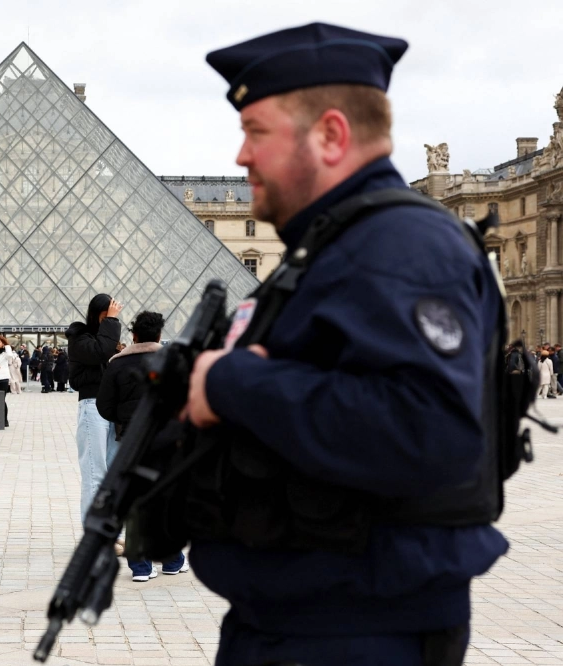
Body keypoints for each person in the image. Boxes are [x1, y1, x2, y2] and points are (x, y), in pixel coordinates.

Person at [176, 23, 508, 666]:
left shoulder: (399, 248)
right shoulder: (340, 246)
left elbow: (426, 430)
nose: (241, 157)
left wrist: (230, 383)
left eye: (256, 131)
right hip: (312, 618)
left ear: (330, 134)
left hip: (357, 629)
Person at [96, 311, 189, 580]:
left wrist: (123, 420)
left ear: (133, 336)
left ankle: (140, 567)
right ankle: (171, 560)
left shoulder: (116, 364)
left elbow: (104, 406)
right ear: (160, 335)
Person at [65, 294, 122, 518]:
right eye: (108, 314)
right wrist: (113, 321)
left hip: (112, 409)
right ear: (100, 314)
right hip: (92, 406)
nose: (114, 316)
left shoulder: (106, 338)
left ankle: (112, 536)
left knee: (112, 474)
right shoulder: (79, 338)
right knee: (94, 473)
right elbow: (101, 351)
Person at [0, 335, 14, 427]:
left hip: (2, 378)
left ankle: (4, 420)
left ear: (3, 344)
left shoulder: (6, 353)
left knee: (1, 399)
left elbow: (10, 356)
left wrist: (7, 346)